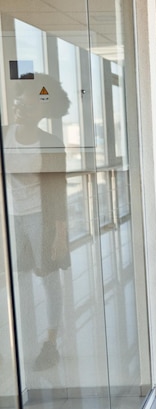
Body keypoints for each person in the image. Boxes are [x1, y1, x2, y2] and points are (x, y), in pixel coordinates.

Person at [4, 72, 71, 370]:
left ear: (43, 111)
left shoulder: (51, 143)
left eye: (29, 106)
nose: (20, 108)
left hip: (39, 218)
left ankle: (50, 343)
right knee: (18, 279)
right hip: (11, 217)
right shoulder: (3, 135)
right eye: (18, 103)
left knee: (47, 277)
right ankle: (23, 340)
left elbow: (58, 192)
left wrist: (60, 235)